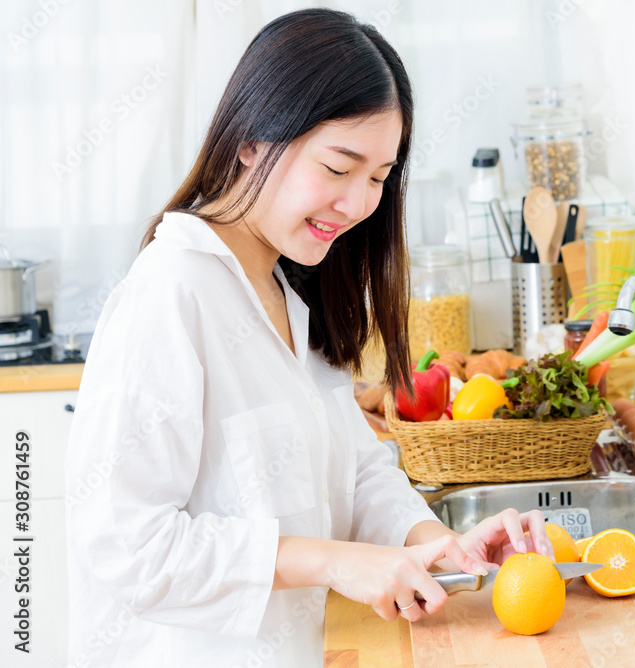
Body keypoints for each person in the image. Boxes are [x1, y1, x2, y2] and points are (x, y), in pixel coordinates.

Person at [64, 9, 552, 667]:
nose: (356, 205)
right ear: (250, 142)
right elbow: (127, 545)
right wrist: (333, 562)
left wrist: (436, 542)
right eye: (338, 167)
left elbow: (350, 469)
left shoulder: (290, 294)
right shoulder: (170, 294)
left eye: (378, 178)